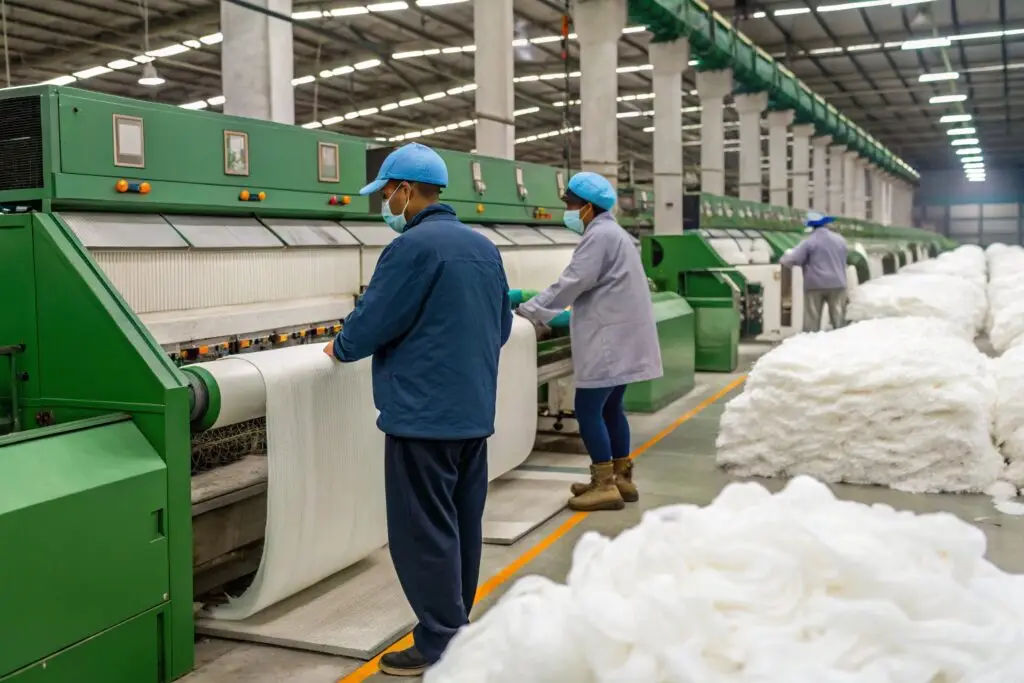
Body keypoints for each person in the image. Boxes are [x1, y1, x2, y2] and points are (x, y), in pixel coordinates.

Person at [324, 142, 513, 676]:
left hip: (422, 418)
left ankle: (439, 640)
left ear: (405, 190)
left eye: (386, 193)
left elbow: (376, 317)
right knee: (459, 523)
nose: (385, 203)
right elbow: (500, 328)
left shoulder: (412, 249)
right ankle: (456, 623)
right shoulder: (482, 248)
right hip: (472, 413)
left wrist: (340, 347)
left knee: (422, 530)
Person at [515, 172, 662, 512]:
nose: (568, 211)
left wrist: (531, 311)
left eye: (571, 205)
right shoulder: (616, 234)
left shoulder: (600, 236)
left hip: (610, 339)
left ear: (588, 207)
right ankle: (621, 477)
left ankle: (604, 485)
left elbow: (574, 281)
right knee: (611, 407)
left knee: (587, 409)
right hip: (623, 336)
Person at [781, 211, 849, 332]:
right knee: (839, 320)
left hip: (815, 285)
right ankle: (842, 343)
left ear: (811, 226)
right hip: (838, 283)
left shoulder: (809, 242)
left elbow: (791, 260)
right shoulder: (841, 240)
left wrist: (784, 257)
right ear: (826, 224)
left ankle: (811, 345)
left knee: (811, 322)